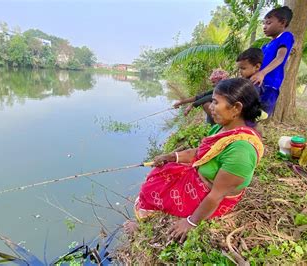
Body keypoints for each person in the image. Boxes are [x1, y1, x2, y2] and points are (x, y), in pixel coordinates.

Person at [125, 78, 265, 242]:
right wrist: (171, 156)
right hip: (200, 180)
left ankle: (143, 225)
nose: (210, 107)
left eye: (215, 102)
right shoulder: (224, 127)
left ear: (236, 108)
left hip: (211, 198)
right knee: (159, 174)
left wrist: (191, 222)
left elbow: (217, 195)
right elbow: (201, 152)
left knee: (154, 191)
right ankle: (147, 214)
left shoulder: (242, 151)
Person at [173, 48, 263, 124]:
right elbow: (205, 95)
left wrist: (193, 105)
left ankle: (218, 127)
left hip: (242, 119)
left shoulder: (251, 86)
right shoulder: (243, 81)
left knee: (208, 104)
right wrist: (183, 102)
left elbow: (211, 96)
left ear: (257, 67)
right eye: (239, 68)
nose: (240, 71)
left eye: (243, 68)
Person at [250, 6, 295, 116]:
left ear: (282, 23)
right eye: (264, 24)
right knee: (249, 114)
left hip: (269, 86)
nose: (264, 27)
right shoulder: (265, 46)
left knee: (259, 117)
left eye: (268, 23)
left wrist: (262, 73)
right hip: (258, 84)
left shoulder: (286, 36)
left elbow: (280, 58)